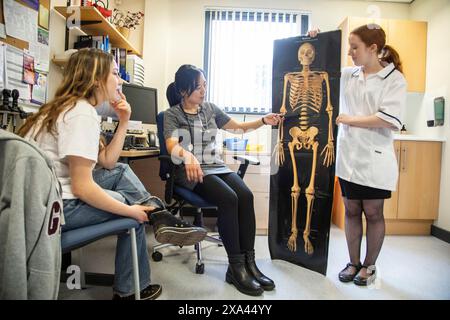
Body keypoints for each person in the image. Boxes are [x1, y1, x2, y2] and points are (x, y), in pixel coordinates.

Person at [18, 48, 207, 300]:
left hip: (42, 203)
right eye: (116, 74)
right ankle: (130, 290)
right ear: (96, 79)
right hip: (56, 210)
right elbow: (82, 188)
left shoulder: (72, 107)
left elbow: (108, 163)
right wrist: (131, 211)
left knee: (121, 171)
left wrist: (124, 119)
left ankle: (157, 213)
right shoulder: (81, 113)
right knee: (131, 208)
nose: (121, 80)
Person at [164, 64, 280, 296]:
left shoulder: (210, 109)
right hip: (192, 172)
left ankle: (250, 264)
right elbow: (171, 145)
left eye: (204, 85)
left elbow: (238, 128)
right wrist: (187, 156)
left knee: (245, 196)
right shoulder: (172, 115)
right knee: (229, 199)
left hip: (215, 166)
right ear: (184, 91)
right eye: (198, 87)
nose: (203, 90)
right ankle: (235, 267)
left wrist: (264, 121)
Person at [310, 25, 406, 286]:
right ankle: (353, 263)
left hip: (375, 157)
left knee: (373, 212)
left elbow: (388, 119)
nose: (350, 53)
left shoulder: (393, 78)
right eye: (349, 47)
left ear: (373, 49)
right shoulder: (350, 75)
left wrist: (350, 119)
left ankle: (369, 265)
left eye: (355, 48)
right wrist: (316, 40)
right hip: (349, 156)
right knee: (351, 209)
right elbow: (320, 67)